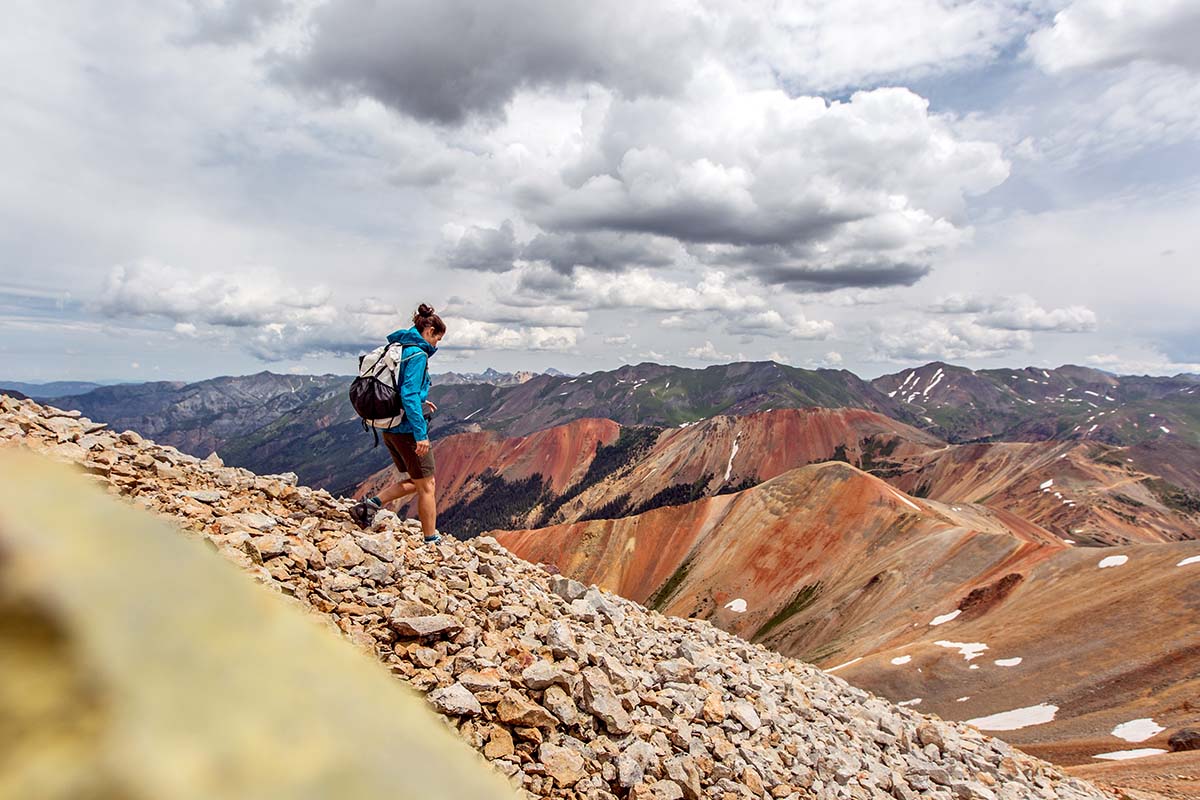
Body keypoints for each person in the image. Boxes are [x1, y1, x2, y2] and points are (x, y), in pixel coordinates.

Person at [350, 304, 446, 543]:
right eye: (438, 338)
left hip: (389, 427)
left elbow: (401, 388)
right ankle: (430, 539)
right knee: (427, 485)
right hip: (406, 431)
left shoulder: (398, 347)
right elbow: (409, 394)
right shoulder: (418, 354)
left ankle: (369, 506)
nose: (437, 344)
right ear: (429, 331)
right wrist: (420, 433)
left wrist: (423, 400)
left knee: (416, 481)